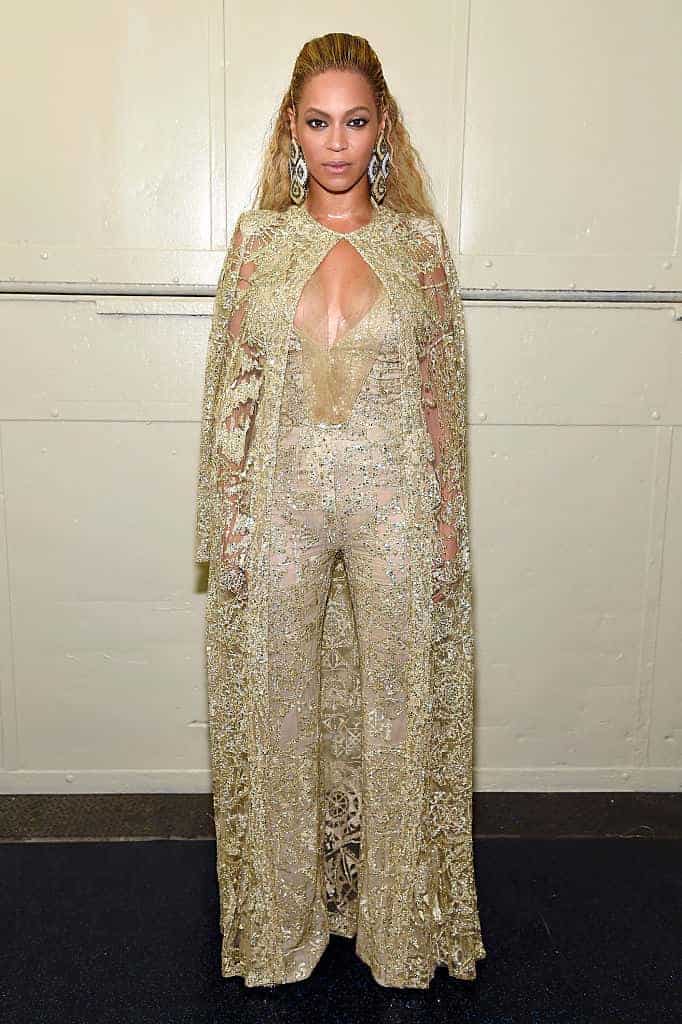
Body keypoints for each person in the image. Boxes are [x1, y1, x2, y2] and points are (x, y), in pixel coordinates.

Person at [194, 31, 486, 989]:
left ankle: (398, 931)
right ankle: (280, 935)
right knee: (273, 709)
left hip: (396, 499)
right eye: (317, 122)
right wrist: (223, 525)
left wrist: (448, 531)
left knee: (402, 712)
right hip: (280, 499)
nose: (335, 142)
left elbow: (444, 400)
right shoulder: (259, 243)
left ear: (381, 130)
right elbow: (230, 391)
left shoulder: (419, 247)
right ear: (291, 128)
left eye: (354, 121)